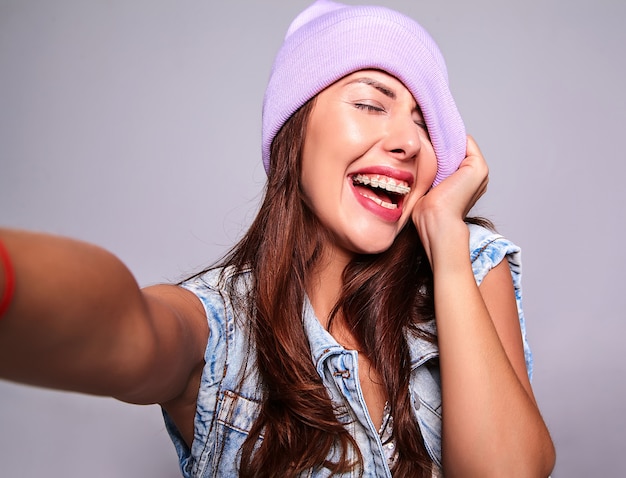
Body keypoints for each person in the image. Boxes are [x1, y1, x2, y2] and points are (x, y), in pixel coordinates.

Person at [0, 0, 555, 476]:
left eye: (425, 123)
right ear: (296, 125)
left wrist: (447, 244)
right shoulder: (219, 329)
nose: (408, 140)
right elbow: (127, 326)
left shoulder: (468, 265)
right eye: (370, 103)